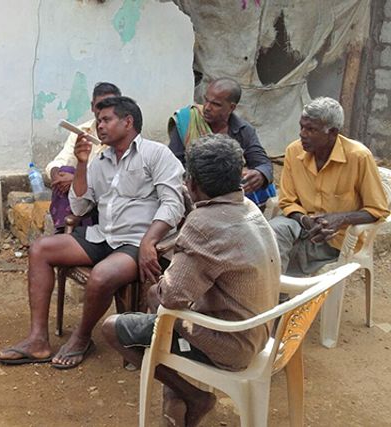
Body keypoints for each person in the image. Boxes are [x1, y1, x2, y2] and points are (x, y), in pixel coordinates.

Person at [102, 134, 280, 427]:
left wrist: (156, 287)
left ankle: (193, 395)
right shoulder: (247, 207)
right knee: (165, 311)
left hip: (231, 345)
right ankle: (175, 393)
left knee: (117, 325)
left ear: (192, 183)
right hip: (259, 331)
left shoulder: (204, 223)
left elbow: (171, 298)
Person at [0, 96, 184, 369]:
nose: (99, 126)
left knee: (102, 275)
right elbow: (80, 206)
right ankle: (38, 341)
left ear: (128, 122)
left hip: (136, 242)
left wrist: (150, 240)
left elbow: (173, 204)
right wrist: (82, 164)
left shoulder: (156, 154)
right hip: (102, 235)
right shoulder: (100, 160)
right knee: (40, 249)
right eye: (98, 121)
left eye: (106, 120)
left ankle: (82, 337)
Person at [269, 97, 389, 276]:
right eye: (301, 127)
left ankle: (283, 288)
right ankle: (274, 286)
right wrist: (306, 220)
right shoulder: (293, 151)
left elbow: (377, 210)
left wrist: (340, 219)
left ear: (332, 132)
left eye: (311, 129)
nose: (302, 134)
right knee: (270, 234)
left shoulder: (359, 157)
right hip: (300, 223)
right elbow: (287, 201)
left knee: (293, 259)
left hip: (336, 237)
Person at [168, 77, 275, 208]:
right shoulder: (188, 122)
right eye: (206, 100)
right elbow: (173, 164)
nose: (207, 107)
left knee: (263, 185)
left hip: (229, 195)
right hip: (195, 191)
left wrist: (261, 174)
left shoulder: (243, 130)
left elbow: (263, 163)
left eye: (216, 104)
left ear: (231, 107)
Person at [45, 82, 121, 231]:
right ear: (92, 106)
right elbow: (60, 161)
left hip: (105, 197)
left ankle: (71, 232)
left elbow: (114, 177)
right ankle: (64, 229)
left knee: (75, 179)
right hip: (78, 198)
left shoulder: (120, 135)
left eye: (110, 105)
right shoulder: (82, 131)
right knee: (64, 170)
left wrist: (76, 179)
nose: (104, 111)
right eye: (100, 106)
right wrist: (57, 176)